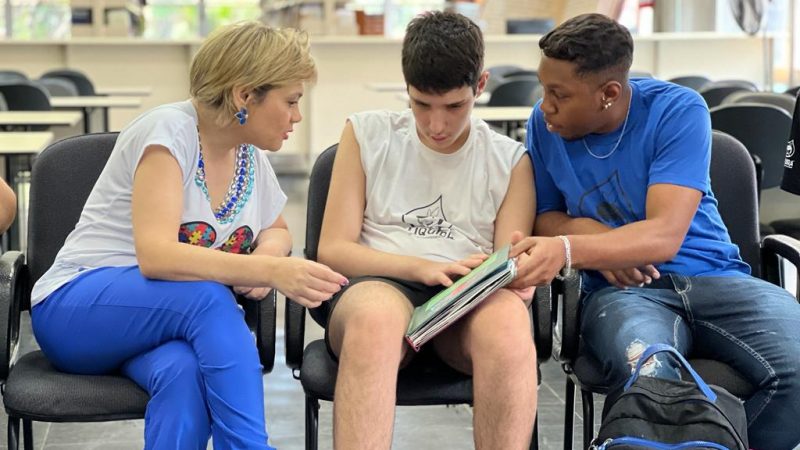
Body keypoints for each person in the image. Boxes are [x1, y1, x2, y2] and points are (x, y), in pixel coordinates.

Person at [30, 21, 347, 450]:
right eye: (290, 101)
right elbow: (157, 256)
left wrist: (266, 257)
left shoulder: (247, 154)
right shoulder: (168, 133)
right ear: (243, 95)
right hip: (75, 309)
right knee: (207, 297)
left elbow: (277, 229)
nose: (297, 116)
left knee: (185, 372)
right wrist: (267, 268)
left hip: (155, 329)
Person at [511, 13, 800, 449]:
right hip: (622, 294)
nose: (545, 104)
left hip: (717, 279)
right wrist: (597, 239)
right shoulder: (544, 124)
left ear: (609, 94)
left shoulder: (677, 110)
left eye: (559, 94)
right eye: (543, 88)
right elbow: (544, 216)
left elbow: (663, 236)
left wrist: (573, 247)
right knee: (651, 377)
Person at [317, 11, 538, 450]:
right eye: (421, 104)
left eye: (454, 107)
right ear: (406, 87)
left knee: (509, 324)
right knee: (376, 321)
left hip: (465, 302)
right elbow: (333, 249)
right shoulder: (365, 134)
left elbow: (511, 270)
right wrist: (420, 267)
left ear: (480, 85)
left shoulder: (511, 160)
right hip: (377, 284)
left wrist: (510, 276)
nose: (436, 126)